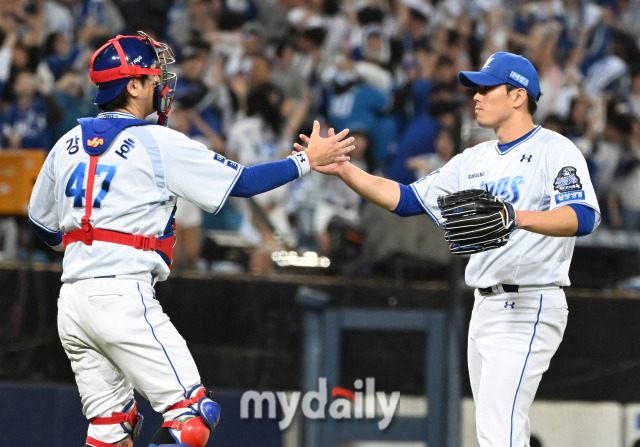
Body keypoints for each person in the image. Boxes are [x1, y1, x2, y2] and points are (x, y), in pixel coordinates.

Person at [27, 31, 353, 447]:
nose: (161, 84)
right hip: (122, 296)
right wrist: (308, 160)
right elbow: (245, 182)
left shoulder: (65, 143)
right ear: (133, 85)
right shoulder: (157, 141)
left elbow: (41, 225)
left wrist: (84, 243)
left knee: (109, 430)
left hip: (71, 302)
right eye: (152, 77)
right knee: (193, 417)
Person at [298, 52, 601, 447]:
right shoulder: (472, 160)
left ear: (518, 95)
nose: (475, 96)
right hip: (484, 305)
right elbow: (407, 200)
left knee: (500, 432)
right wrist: (345, 170)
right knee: (499, 431)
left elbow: (583, 216)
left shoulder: (553, 150)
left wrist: (516, 215)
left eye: (486, 87)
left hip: (531, 300)